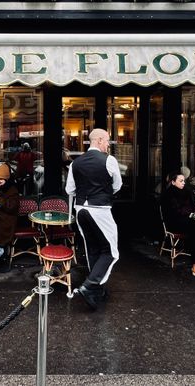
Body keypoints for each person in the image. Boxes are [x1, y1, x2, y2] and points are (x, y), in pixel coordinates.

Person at [65, 128, 122, 310]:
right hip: (100, 209)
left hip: (81, 210)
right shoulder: (109, 160)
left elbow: (69, 190)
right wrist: (103, 193)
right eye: (107, 141)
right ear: (98, 140)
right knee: (112, 252)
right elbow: (117, 185)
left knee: (93, 249)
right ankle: (90, 286)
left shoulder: (76, 163)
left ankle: (97, 289)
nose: (108, 144)